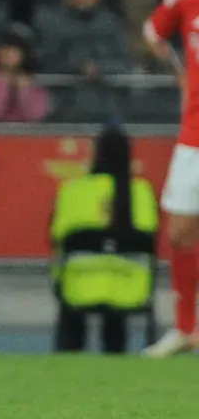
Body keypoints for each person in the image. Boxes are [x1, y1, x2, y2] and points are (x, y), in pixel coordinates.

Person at [50, 126, 158, 354]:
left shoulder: (73, 190)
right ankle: (117, 353)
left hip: (79, 286)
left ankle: (68, 354)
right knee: (116, 311)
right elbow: (150, 235)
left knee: (72, 302)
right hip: (130, 286)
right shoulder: (141, 191)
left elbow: (58, 236)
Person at [142, 0, 199, 356]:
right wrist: (179, 70)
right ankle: (185, 328)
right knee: (179, 230)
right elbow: (152, 33)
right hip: (194, 134)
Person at [0, 23, 50, 123]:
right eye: (3, 47)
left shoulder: (34, 81)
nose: (7, 52)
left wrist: (24, 90)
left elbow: (36, 115)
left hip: (27, 136)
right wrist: (2, 84)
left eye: (14, 48)